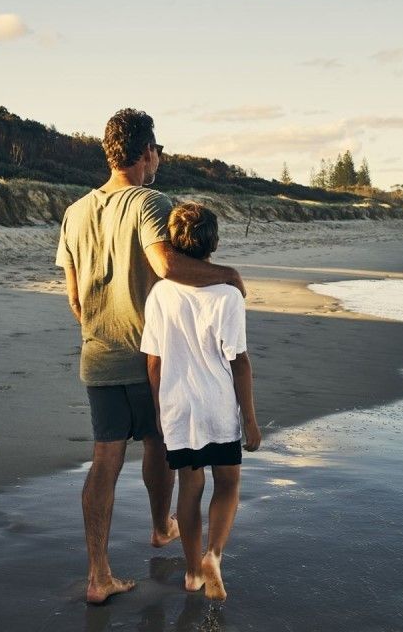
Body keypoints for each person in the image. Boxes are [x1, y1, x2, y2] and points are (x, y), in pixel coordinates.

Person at [55, 109, 246, 605]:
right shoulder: (150, 200)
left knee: (105, 460)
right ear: (146, 153)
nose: (158, 158)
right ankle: (161, 526)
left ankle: (99, 574)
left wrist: (98, 327)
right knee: (158, 445)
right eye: (156, 150)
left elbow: (73, 296)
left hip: (97, 355)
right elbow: (165, 264)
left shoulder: (76, 212)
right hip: (145, 353)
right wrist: (227, 275)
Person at [140, 202, 261, 601]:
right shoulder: (228, 294)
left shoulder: (160, 293)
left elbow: (154, 360)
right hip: (217, 405)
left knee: (190, 487)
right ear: (215, 244)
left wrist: (159, 410)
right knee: (227, 482)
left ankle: (192, 573)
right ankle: (214, 554)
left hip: (179, 407)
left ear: (174, 243)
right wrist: (251, 420)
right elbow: (239, 361)